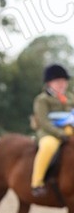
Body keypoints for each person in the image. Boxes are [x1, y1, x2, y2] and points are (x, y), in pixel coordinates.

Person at [30, 63, 74, 197]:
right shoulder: (42, 99)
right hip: (49, 133)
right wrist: (60, 133)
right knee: (48, 147)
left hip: (69, 131)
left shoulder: (70, 97)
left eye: (64, 81)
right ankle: (37, 183)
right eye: (58, 81)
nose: (62, 84)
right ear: (49, 83)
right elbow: (44, 122)